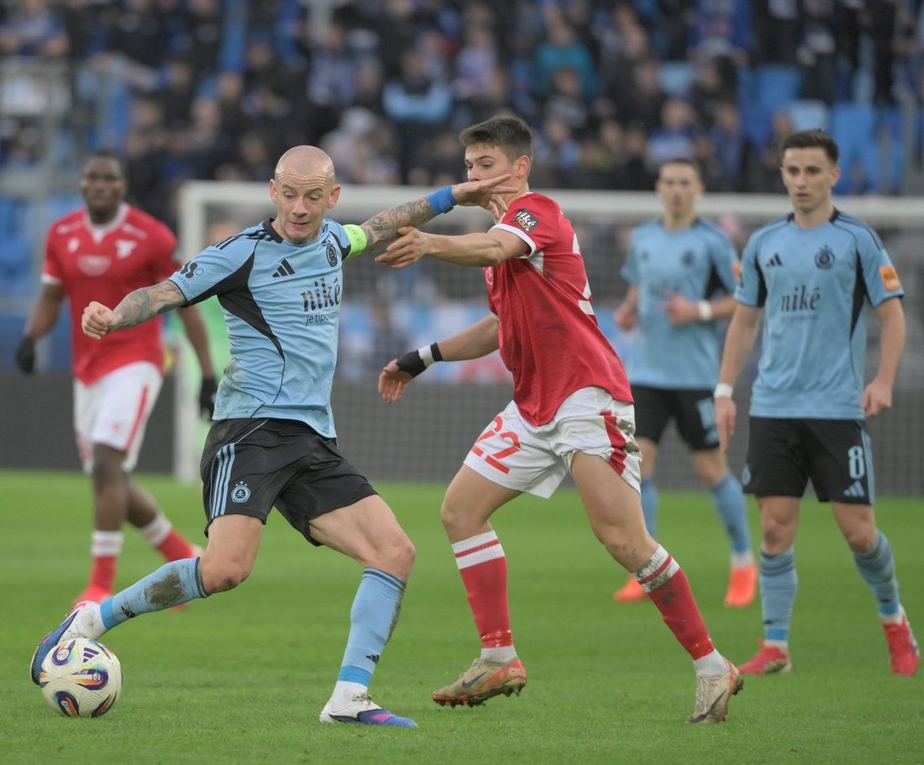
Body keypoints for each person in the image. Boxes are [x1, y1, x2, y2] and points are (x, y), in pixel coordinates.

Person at [29, 145, 511, 727]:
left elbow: (388, 222)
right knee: (224, 571)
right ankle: (90, 621)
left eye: (314, 196)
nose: (300, 207)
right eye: (289, 193)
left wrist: (453, 196)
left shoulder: (336, 241)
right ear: (272, 191)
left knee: (394, 552)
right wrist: (113, 314)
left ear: (332, 198)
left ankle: (348, 699)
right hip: (251, 432)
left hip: (312, 438)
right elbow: (162, 293)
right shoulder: (240, 254)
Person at [375, 115, 740, 723]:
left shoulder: (537, 213)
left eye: (486, 165)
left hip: (587, 396)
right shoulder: (498, 242)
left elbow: (495, 245)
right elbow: (499, 326)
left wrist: (431, 242)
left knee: (624, 540)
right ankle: (498, 656)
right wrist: (422, 357)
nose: (474, 177)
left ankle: (712, 665)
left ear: (520, 166)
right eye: (468, 167)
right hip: (534, 403)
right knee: (459, 511)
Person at [715, 129, 917, 677]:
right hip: (774, 407)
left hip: (837, 408)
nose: (800, 181)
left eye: (811, 171)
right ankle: (775, 647)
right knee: (776, 529)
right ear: (781, 174)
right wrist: (725, 390)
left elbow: (892, 315)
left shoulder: (857, 239)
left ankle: (895, 621)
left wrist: (883, 380)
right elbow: (745, 321)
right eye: (792, 171)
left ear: (834, 175)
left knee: (859, 532)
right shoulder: (762, 243)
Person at [14, 149, 214, 605]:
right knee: (111, 481)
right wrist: (31, 338)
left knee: (107, 462)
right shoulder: (61, 234)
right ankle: (182, 555)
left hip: (138, 360)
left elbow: (187, 303)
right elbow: (51, 296)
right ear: (82, 183)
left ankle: (99, 586)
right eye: (92, 177)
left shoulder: (152, 236)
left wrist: (205, 373)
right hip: (87, 371)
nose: (100, 185)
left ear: (123, 186)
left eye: (109, 178)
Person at [610, 158, 754, 606]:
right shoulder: (644, 239)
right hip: (647, 374)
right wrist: (629, 312)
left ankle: (743, 562)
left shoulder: (712, 241)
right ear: (658, 187)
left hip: (695, 375)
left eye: (684, 183)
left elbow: (744, 299)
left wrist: (700, 311)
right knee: (640, 468)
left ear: (697, 189)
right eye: (669, 182)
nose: (676, 190)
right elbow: (638, 289)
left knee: (711, 470)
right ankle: (646, 567)